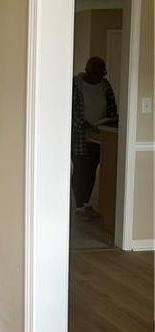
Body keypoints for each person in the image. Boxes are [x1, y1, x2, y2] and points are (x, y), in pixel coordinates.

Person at [71, 56, 118, 222]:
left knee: (91, 170)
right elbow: (69, 107)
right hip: (78, 134)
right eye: (95, 73)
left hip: (97, 135)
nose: (98, 77)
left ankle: (87, 203)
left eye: (101, 73)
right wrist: (80, 123)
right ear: (87, 70)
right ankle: (79, 206)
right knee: (80, 169)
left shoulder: (105, 86)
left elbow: (112, 109)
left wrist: (110, 121)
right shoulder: (75, 85)